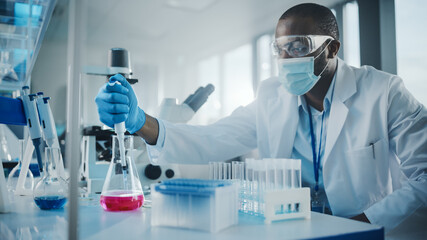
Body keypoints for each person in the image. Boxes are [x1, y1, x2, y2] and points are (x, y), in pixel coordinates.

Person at [95, 3, 426, 231]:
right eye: (279, 48)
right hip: (296, 228)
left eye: (298, 46)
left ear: (332, 49)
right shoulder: (272, 96)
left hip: (369, 231)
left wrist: (362, 222)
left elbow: (424, 176)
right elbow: (212, 139)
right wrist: (142, 122)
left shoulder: (384, 93)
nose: (285, 57)